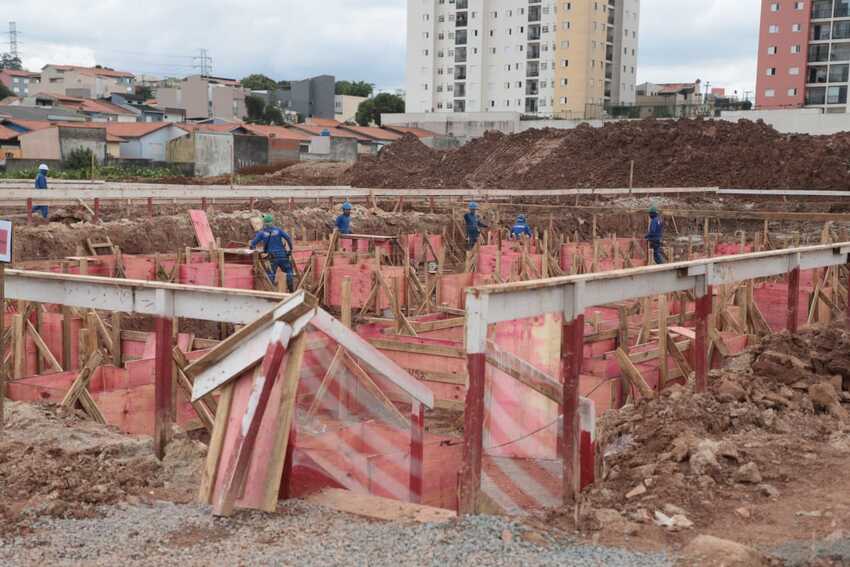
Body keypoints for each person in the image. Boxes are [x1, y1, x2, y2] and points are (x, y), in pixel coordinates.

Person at [250, 214, 295, 291]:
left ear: (264, 223)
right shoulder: (278, 230)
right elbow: (288, 238)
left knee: (271, 274)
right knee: (288, 271)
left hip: (272, 257)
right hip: (283, 255)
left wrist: (255, 251)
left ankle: (271, 291)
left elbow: (253, 244)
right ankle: (291, 289)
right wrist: (290, 249)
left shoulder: (262, 233)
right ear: (272, 222)